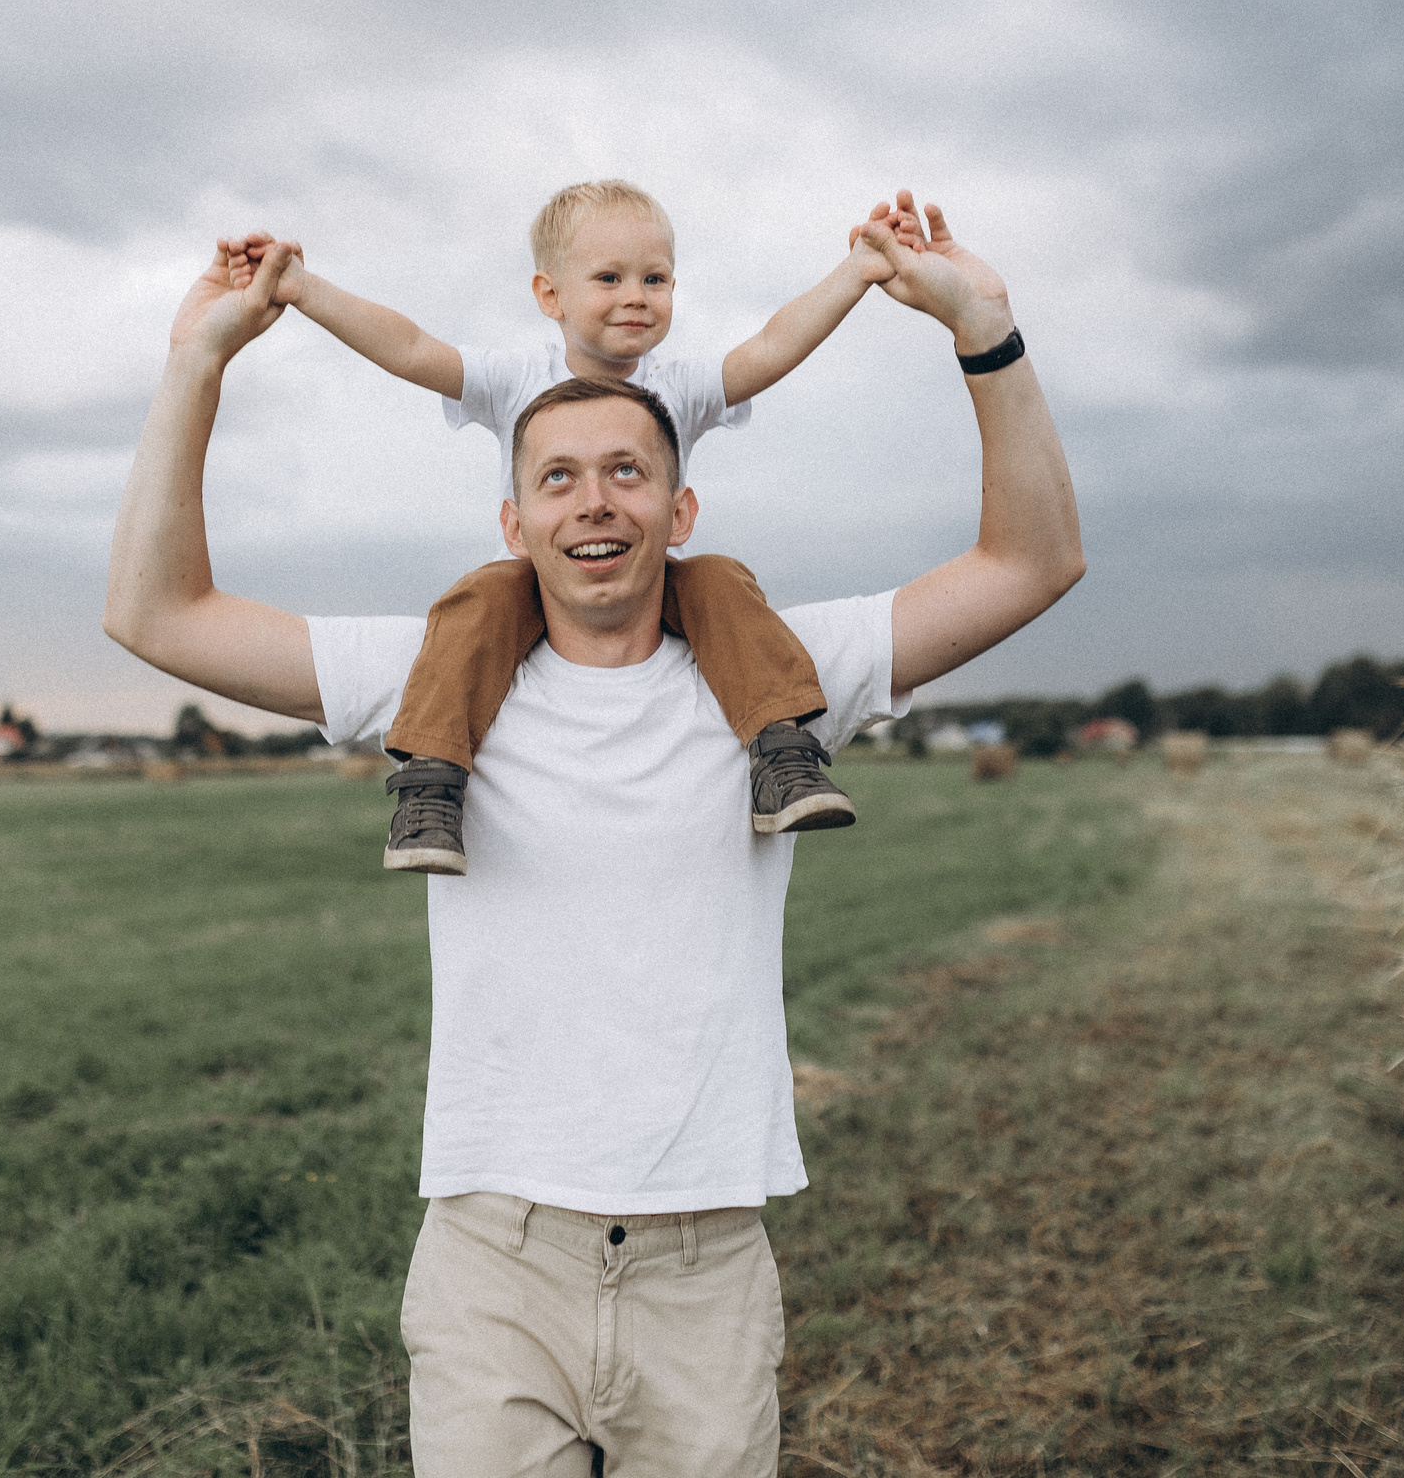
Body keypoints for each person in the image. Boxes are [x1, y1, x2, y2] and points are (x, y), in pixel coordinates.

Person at [104, 193, 1083, 1477]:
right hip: (493, 1263)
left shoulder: (779, 672)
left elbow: (1030, 562)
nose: (593, 502)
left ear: (681, 512)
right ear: (513, 525)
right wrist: (196, 362)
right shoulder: (439, 675)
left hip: (705, 1268)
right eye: (555, 478)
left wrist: (987, 334)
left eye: (628, 471)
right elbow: (157, 613)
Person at [218, 179, 895, 875]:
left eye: (656, 278)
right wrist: (303, 288)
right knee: (475, 601)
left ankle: (782, 754)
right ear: (550, 296)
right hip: (541, 588)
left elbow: (773, 345)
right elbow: (409, 345)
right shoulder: (517, 378)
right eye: (610, 278)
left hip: (648, 581)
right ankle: (432, 786)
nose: (637, 295)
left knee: (722, 578)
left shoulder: (681, 384)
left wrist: (856, 273)